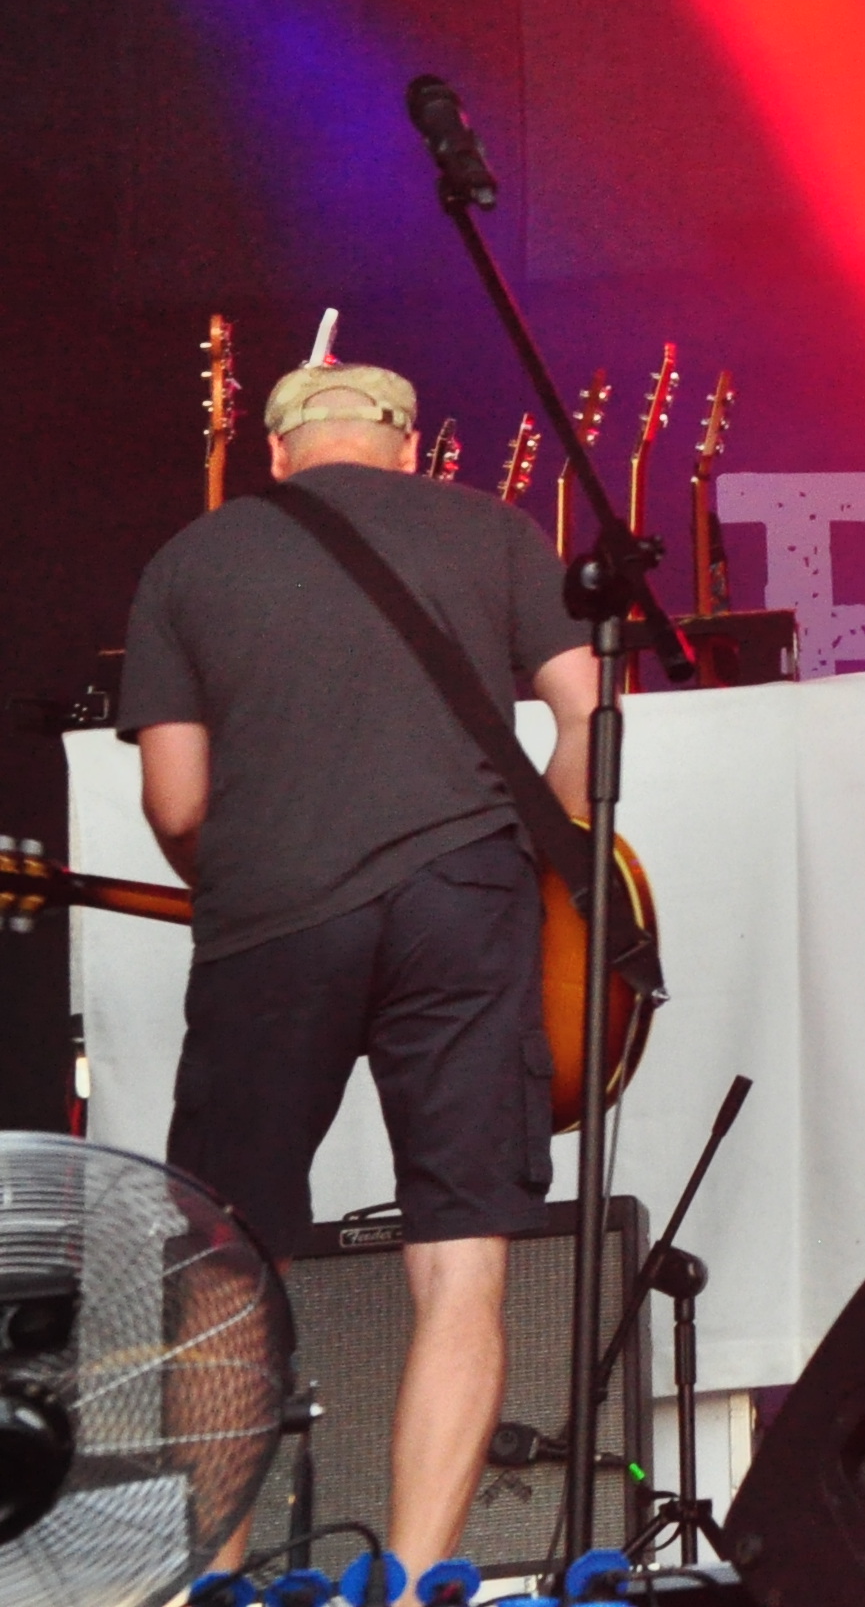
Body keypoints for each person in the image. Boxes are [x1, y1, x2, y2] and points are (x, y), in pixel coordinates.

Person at [121, 357, 598, 1577]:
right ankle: (419, 1585)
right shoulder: (493, 529)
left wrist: (250, 871)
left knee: (229, 1257)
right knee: (461, 1259)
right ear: (407, 441)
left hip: (270, 913)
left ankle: (216, 1579)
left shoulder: (190, 559)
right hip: (465, 904)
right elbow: (587, 706)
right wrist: (549, 850)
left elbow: (176, 802)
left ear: (278, 451)